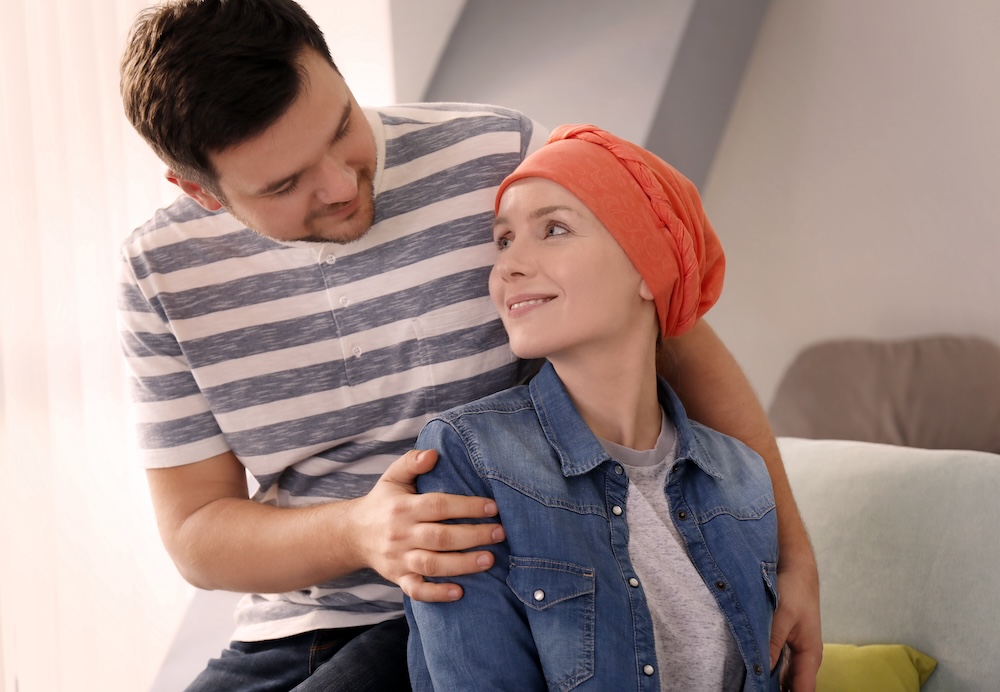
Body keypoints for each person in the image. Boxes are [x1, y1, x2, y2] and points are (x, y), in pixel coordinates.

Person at [117, 1, 820, 690]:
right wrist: (360, 531)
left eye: (340, 128)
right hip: (294, 627)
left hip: (495, 592)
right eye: (284, 184)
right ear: (201, 192)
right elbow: (196, 534)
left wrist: (793, 555)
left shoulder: (499, 154)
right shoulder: (159, 271)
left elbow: (676, 335)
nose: (339, 184)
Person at [405, 124, 781, 691]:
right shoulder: (465, 460)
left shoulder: (744, 480)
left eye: (553, 229)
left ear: (648, 271)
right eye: (504, 240)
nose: (508, 266)